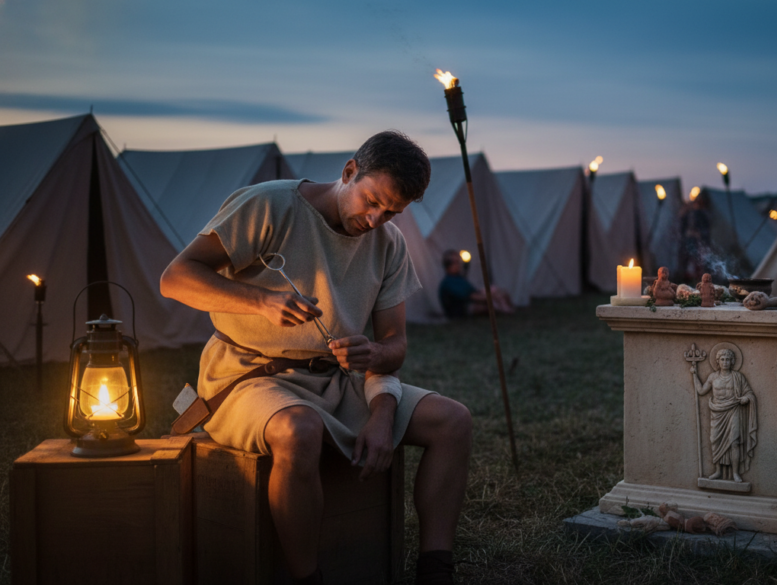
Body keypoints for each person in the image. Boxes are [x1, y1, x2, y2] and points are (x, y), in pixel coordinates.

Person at [161, 131, 471, 585]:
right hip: (250, 377)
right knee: (298, 429)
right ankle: (307, 578)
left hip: (339, 384)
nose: (376, 218)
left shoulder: (389, 244)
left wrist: (378, 374)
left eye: (393, 211)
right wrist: (260, 301)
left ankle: (435, 569)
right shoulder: (269, 205)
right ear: (349, 171)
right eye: (372, 201)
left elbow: (394, 346)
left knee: (453, 421)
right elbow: (175, 278)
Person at [690, 348, 757, 482]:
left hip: (734, 411)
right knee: (715, 442)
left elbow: (749, 393)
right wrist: (694, 375)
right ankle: (718, 471)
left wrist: (746, 398)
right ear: (718, 362)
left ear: (732, 361)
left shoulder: (738, 377)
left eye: (727, 359)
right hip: (717, 413)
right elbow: (701, 391)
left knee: (735, 443)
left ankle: (735, 473)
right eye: (722, 359)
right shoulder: (713, 377)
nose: (725, 362)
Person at [438, 249, 514, 319]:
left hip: (471, 302)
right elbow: (472, 296)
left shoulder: (458, 278)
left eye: (458, 261)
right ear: (448, 265)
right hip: (461, 310)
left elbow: (472, 292)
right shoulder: (448, 282)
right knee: (489, 305)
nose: (458, 264)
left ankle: (506, 309)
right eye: (456, 262)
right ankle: (505, 310)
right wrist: (492, 297)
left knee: (501, 293)